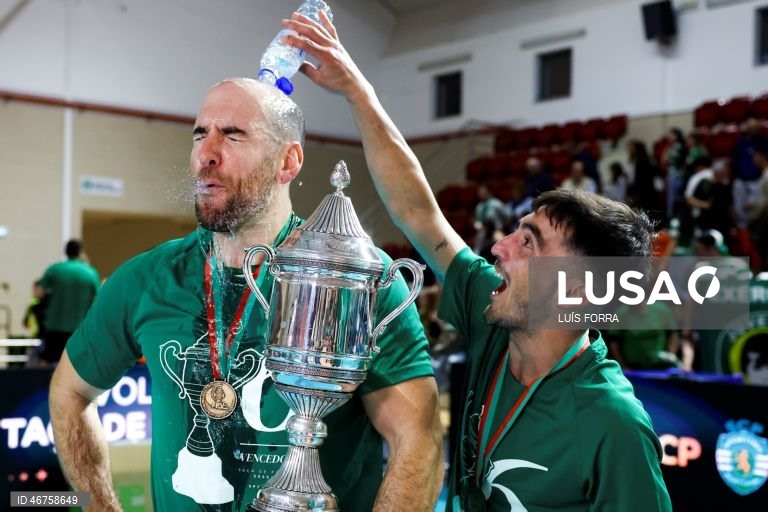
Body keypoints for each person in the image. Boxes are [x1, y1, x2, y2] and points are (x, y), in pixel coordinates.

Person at [48, 15, 443, 512]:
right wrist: (101, 505)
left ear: (288, 163)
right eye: (199, 134)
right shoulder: (147, 279)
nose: (206, 154)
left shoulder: (355, 280)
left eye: (232, 135)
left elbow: (418, 440)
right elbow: (69, 393)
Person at [281, 12, 671, 510]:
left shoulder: (613, 424)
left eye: (529, 243)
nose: (499, 247)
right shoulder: (496, 321)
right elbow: (418, 213)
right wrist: (357, 91)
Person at [38, 239, 100, 365]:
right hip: (79, 327)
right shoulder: (90, 273)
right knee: (78, 362)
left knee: (47, 358)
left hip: (54, 325)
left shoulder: (54, 269)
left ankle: (44, 378)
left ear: (65, 252)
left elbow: (38, 292)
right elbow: (97, 300)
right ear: (81, 252)